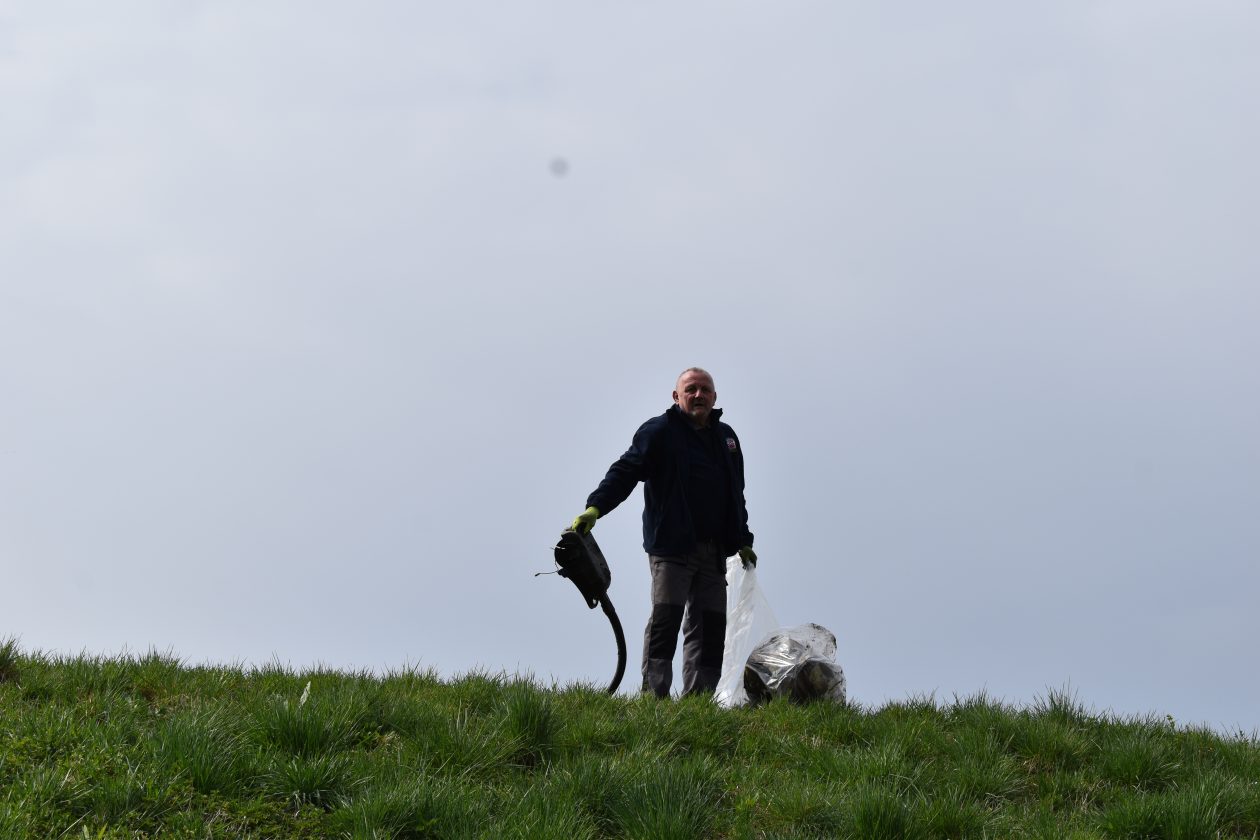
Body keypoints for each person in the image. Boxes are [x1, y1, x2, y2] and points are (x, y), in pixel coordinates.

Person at [570, 367, 756, 698]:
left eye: (705, 390)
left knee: (710, 628)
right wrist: (596, 507)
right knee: (665, 621)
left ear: (715, 397)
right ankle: (654, 698)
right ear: (676, 396)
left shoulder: (726, 439)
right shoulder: (660, 432)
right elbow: (626, 470)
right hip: (672, 548)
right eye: (691, 389)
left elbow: (735, 492)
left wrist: (743, 539)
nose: (699, 395)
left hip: (714, 553)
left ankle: (698, 705)